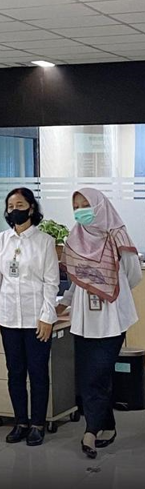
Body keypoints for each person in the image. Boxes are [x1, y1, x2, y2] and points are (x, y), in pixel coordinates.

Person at [57, 188, 141, 459]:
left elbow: (133, 274)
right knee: (89, 376)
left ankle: (90, 432)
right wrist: (64, 303)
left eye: (86, 204)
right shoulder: (75, 237)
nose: (81, 210)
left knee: (98, 373)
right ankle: (107, 425)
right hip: (84, 317)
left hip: (112, 317)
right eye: (76, 206)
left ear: (100, 206)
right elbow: (76, 280)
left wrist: (110, 290)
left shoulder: (117, 235)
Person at [0, 188, 59, 446]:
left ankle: (37, 424)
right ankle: (21, 422)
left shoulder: (45, 241)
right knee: (15, 372)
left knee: (37, 372)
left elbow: (51, 283)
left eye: (19, 205)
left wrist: (47, 316)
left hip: (36, 317)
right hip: (8, 317)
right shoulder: (1, 240)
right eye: (10, 206)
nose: (14, 210)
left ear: (31, 208)